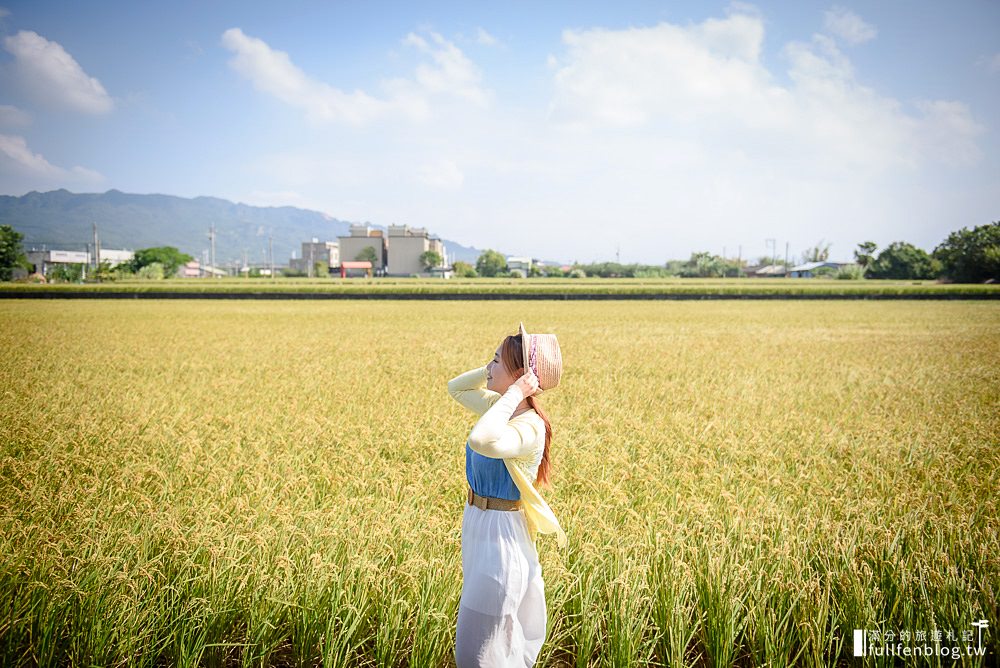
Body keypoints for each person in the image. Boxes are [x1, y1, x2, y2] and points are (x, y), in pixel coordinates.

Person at [448, 322, 567, 667]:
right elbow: (455, 388)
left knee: (477, 656)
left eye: (497, 361)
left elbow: (482, 441)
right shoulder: (500, 409)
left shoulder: (527, 425)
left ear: (519, 374)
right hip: (479, 530)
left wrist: (516, 390)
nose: (489, 367)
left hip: (501, 541)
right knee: (490, 650)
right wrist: (501, 378)